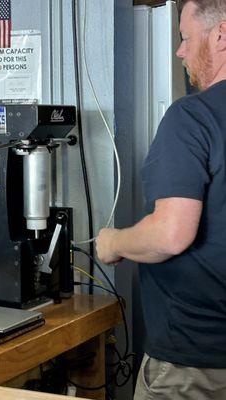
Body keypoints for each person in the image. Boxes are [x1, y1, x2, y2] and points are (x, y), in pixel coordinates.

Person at [95, 1, 226, 399]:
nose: (180, 52)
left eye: (186, 38)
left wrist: (112, 242)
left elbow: (171, 235)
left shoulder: (194, 117)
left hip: (197, 364)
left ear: (220, 35)